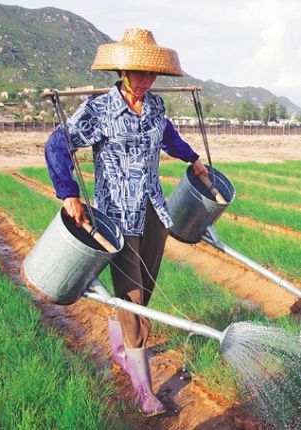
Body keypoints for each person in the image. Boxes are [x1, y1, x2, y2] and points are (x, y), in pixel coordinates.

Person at [45, 28, 208, 417]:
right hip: (116, 216)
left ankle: (121, 349)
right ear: (122, 70)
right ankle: (144, 390)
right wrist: (68, 192)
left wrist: (192, 158)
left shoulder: (154, 108)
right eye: (138, 72)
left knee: (145, 289)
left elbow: (167, 136)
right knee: (132, 299)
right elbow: (58, 143)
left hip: (153, 210)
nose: (145, 80)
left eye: (150, 74)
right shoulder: (99, 110)